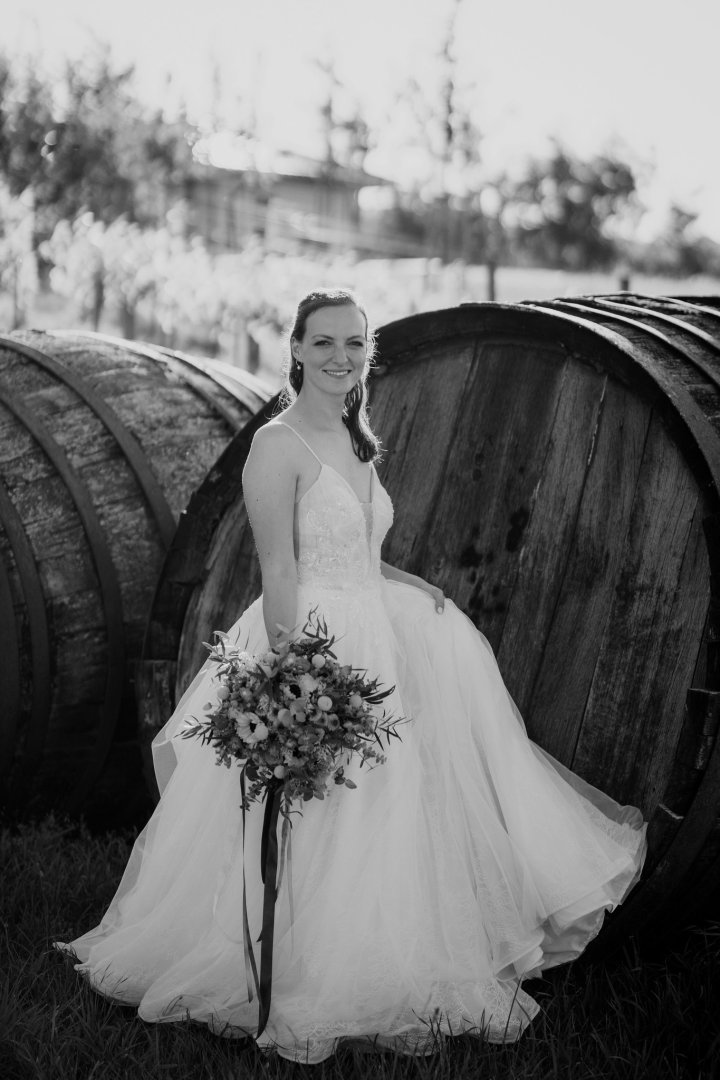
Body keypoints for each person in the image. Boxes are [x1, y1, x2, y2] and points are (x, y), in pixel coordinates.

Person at [57, 287, 647, 1064]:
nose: (342, 357)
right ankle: (295, 964)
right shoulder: (277, 445)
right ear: (297, 350)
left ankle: (381, 949)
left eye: (355, 343)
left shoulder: (352, 434)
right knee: (318, 802)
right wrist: (295, 678)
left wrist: (414, 586)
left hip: (376, 632)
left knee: (384, 800)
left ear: (369, 353)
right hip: (312, 640)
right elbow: (280, 570)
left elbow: (358, 557)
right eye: (326, 342)